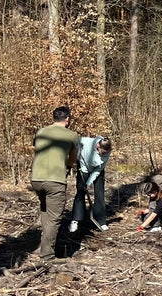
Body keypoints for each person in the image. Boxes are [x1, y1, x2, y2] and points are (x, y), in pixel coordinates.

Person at [30, 106, 80, 262]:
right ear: (67, 119)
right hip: (55, 180)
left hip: (36, 179)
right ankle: (47, 255)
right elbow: (73, 158)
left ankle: (43, 245)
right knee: (54, 218)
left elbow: (38, 150)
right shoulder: (72, 135)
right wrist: (68, 166)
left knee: (46, 211)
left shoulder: (41, 132)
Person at [70, 136, 112, 233]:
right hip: (83, 167)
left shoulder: (107, 152)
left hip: (97, 170)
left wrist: (89, 182)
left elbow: (98, 170)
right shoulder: (86, 142)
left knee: (100, 193)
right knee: (81, 192)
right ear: (98, 146)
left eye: (106, 153)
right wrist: (76, 155)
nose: (104, 154)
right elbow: (74, 141)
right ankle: (76, 220)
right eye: (102, 152)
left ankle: (101, 221)